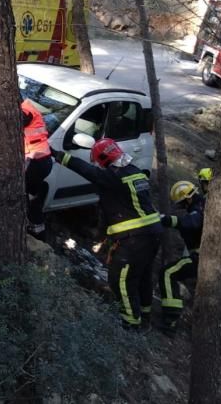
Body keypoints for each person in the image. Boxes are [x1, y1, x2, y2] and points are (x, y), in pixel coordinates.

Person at [53, 138, 162, 327]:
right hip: (153, 234)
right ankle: (145, 317)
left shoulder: (113, 177)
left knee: (120, 279)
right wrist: (103, 237)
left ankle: (130, 324)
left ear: (103, 158)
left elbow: (87, 170)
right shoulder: (135, 172)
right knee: (143, 275)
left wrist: (58, 155)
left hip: (135, 239)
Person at [159, 180, 204, 334]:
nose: (182, 207)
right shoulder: (201, 205)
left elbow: (192, 223)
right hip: (201, 256)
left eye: (182, 203)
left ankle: (170, 320)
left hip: (202, 257)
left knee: (167, 273)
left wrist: (167, 220)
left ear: (188, 198)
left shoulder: (198, 209)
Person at [22, 98, 53, 238]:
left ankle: (35, 231)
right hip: (41, 160)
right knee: (31, 197)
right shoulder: (28, 106)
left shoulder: (25, 110)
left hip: (35, 161)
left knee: (23, 195)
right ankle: (38, 230)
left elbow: (19, 119)